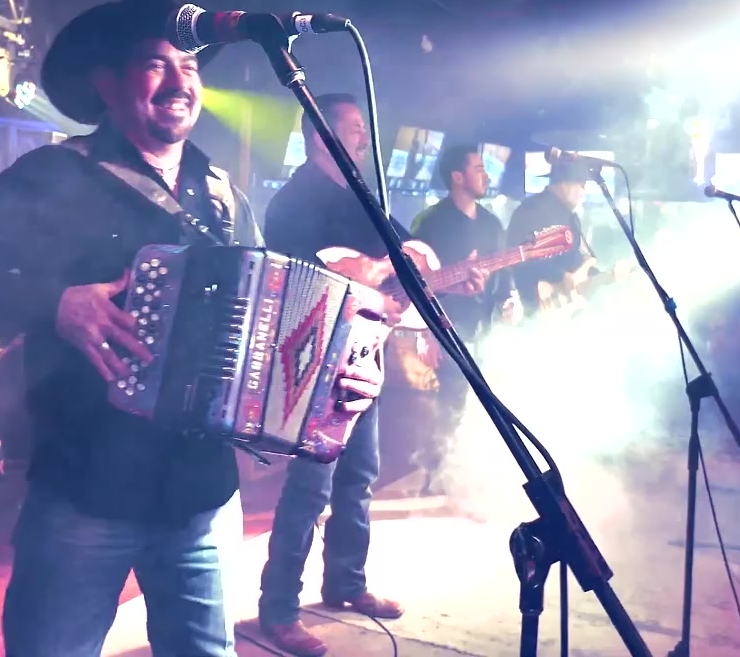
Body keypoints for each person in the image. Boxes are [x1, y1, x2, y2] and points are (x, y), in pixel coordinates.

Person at [0, 0, 384, 657]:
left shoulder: (223, 196)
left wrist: (334, 383)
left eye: (190, 66)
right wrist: (54, 303)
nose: (179, 82)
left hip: (201, 498)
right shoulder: (53, 176)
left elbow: (270, 331)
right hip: (86, 491)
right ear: (108, 83)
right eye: (156, 64)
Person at [256, 93, 482, 656]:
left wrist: (453, 279)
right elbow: (293, 278)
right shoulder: (292, 203)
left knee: (359, 476)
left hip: (362, 358)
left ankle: (345, 583)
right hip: (313, 365)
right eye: (354, 127)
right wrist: (367, 279)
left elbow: (411, 264)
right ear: (320, 136)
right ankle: (278, 609)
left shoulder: (362, 196)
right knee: (310, 488)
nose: (364, 136)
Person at [408, 144, 519, 495]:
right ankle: (438, 475)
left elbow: (504, 272)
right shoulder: (430, 223)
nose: (486, 174)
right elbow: (413, 280)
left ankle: (466, 473)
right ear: (457, 176)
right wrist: (424, 332)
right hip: (446, 328)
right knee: (452, 401)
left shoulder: (492, 223)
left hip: (483, 328)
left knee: (481, 403)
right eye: (478, 168)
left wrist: (509, 298)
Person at [508, 159, 613, 315]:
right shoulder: (530, 211)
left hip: (565, 309)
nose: (584, 192)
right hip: (539, 306)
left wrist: (603, 277)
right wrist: (559, 275)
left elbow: (573, 262)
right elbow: (519, 256)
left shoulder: (571, 217)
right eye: (581, 185)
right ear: (565, 185)